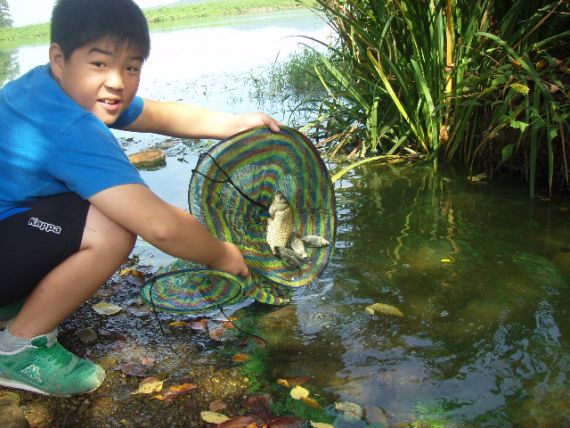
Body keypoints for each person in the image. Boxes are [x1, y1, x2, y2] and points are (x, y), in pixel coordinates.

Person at [0, 0, 280, 396]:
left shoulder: (45, 86)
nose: (117, 81)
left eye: (131, 66)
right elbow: (159, 226)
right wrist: (224, 256)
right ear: (59, 58)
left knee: (84, 208)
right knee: (113, 227)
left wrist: (231, 124)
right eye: (100, 63)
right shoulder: (70, 128)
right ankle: (19, 348)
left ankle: (13, 302)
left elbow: (156, 114)